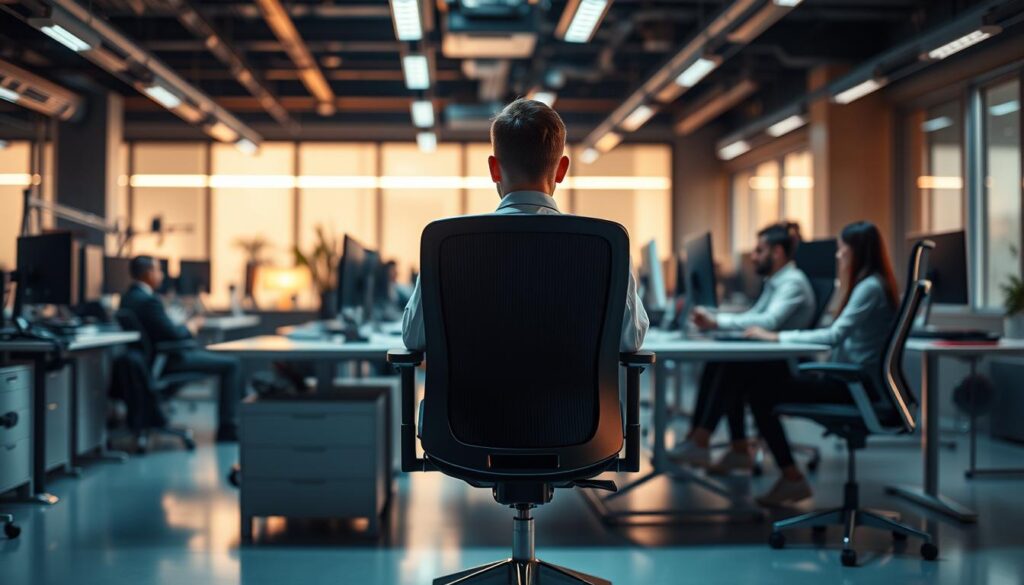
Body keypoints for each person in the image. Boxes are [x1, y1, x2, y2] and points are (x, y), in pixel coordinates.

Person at [402, 98, 649, 352]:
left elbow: (413, 336)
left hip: (477, 393)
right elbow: (630, 340)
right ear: (562, 169)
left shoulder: (447, 243)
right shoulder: (605, 244)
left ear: (494, 169)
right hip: (571, 392)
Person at [742, 220, 899, 506]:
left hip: (854, 387)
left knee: (760, 393)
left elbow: (834, 335)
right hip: (853, 382)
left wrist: (777, 338)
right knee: (761, 378)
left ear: (856, 252)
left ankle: (792, 479)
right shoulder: (871, 285)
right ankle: (784, 474)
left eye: (842, 250)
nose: (838, 256)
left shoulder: (869, 287)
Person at [672, 222, 816, 473]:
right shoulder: (776, 282)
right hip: (768, 360)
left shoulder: (792, 282)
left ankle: (703, 440)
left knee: (730, 366)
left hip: (787, 366)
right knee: (722, 359)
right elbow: (754, 316)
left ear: (778, 252)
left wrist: (718, 322)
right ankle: (709, 441)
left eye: (759, 250)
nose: (753, 256)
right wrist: (718, 322)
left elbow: (769, 322)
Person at [120, 256, 243, 441]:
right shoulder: (148, 301)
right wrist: (190, 327)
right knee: (232, 364)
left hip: (150, 360)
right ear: (148, 274)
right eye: (159, 270)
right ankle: (228, 429)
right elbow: (174, 334)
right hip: (168, 360)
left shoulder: (128, 298)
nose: (162, 275)